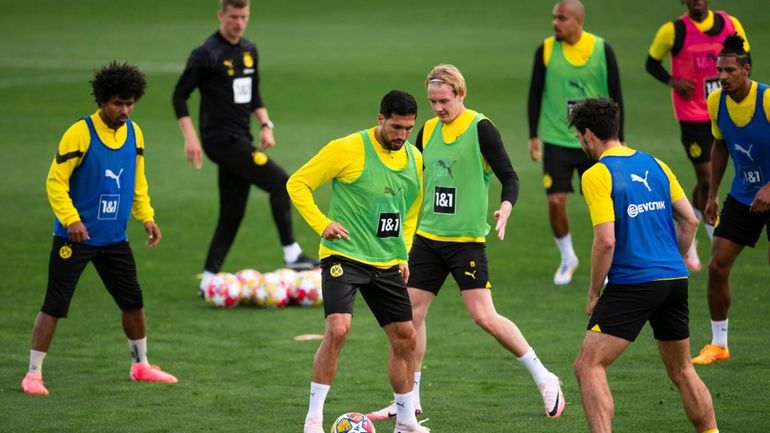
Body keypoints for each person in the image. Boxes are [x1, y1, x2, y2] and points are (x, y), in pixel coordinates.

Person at [368, 64, 565, 421]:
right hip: (427, 238)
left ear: (461, 94)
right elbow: (413, 176)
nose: (438, 108)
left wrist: (505, 208)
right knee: (410, 317)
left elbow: (510, 176)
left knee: (483, 316)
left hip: (466, 243)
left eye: (444, 100)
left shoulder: (480, 129)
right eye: (432, 101)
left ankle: (545, 377)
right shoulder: (426, 130)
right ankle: (410, 400)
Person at [20, 62, 177, 396]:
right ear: (103, 100)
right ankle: (33, 374)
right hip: (75, 238)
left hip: (113, 239)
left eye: (130, 103)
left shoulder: (134, 133)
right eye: (118, 103)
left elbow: (137, 181)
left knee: (133, 300)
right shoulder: (80, 133)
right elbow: (55, 182)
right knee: (55, 304)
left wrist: (146, 216)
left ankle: (140, 365)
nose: (125, 110)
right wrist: (70, 219)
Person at [571, 98, 718, 433]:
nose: (582, 144)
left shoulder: (598, 174)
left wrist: (594, 293)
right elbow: (690, 222)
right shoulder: (656, 164)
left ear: (589, 135)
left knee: (588, 365)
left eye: (580, 138)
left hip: (632, 282)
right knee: (682, 370)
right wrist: (671, 261)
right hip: (674, 278)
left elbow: (605, 241)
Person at [287, 90, 429, 433]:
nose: (402, 135)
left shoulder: (414, 158)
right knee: (338, 329)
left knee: (405, 337)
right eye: (396, 127)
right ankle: (313, 419)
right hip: (344, 256)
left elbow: (410, 210)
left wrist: (402, 252)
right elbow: (298, 183)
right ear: (380, 118)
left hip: (385, 261)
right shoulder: (346, 148)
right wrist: (323, 224)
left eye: (409, 129)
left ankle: (406, 421)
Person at [172, 0, 317, 295]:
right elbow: (179, 96)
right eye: (233, 17)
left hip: (242, 138)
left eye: (244, 17)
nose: (238, 22)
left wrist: (265, 124)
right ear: (221, 15)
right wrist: (190, 137)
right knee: (282, 183)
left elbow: (253, 94)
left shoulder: (249, 50)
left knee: (232, 212)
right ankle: (292, 255)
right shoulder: (206, 54)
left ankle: (208, 278)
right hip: (219, 140)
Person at [646, 0, 750, 271]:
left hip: (723, 109)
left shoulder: (730, 24)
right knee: (706, 177)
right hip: (692, 115)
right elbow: (651, 62)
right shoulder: (674, 31)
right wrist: (673, 81)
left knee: (707, 180)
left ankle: (688, 222)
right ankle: (711, 235)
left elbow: (744, 59)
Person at [528, 0, 624, 285]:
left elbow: (617, 95)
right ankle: (568, 257)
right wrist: (534, 135)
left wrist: (619, 139)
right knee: (555, 201)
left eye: (562, 18)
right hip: (558, 139)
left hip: (595, 141)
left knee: (603, 204)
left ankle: (610, 262)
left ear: (578, 21)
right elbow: (534, 93)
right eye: (553, 18)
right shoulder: (545, 50)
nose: (555, 23)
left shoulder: (602, 49)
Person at [692, 34, 770, 365]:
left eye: (729, 71)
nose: (722, 76)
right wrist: (711, 195)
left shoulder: (766, 100)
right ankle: (719, 344)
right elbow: (720, 145)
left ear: (746, 70)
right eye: (719, 70)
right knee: (716, 265)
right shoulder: (716, 101)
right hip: (742, 195)